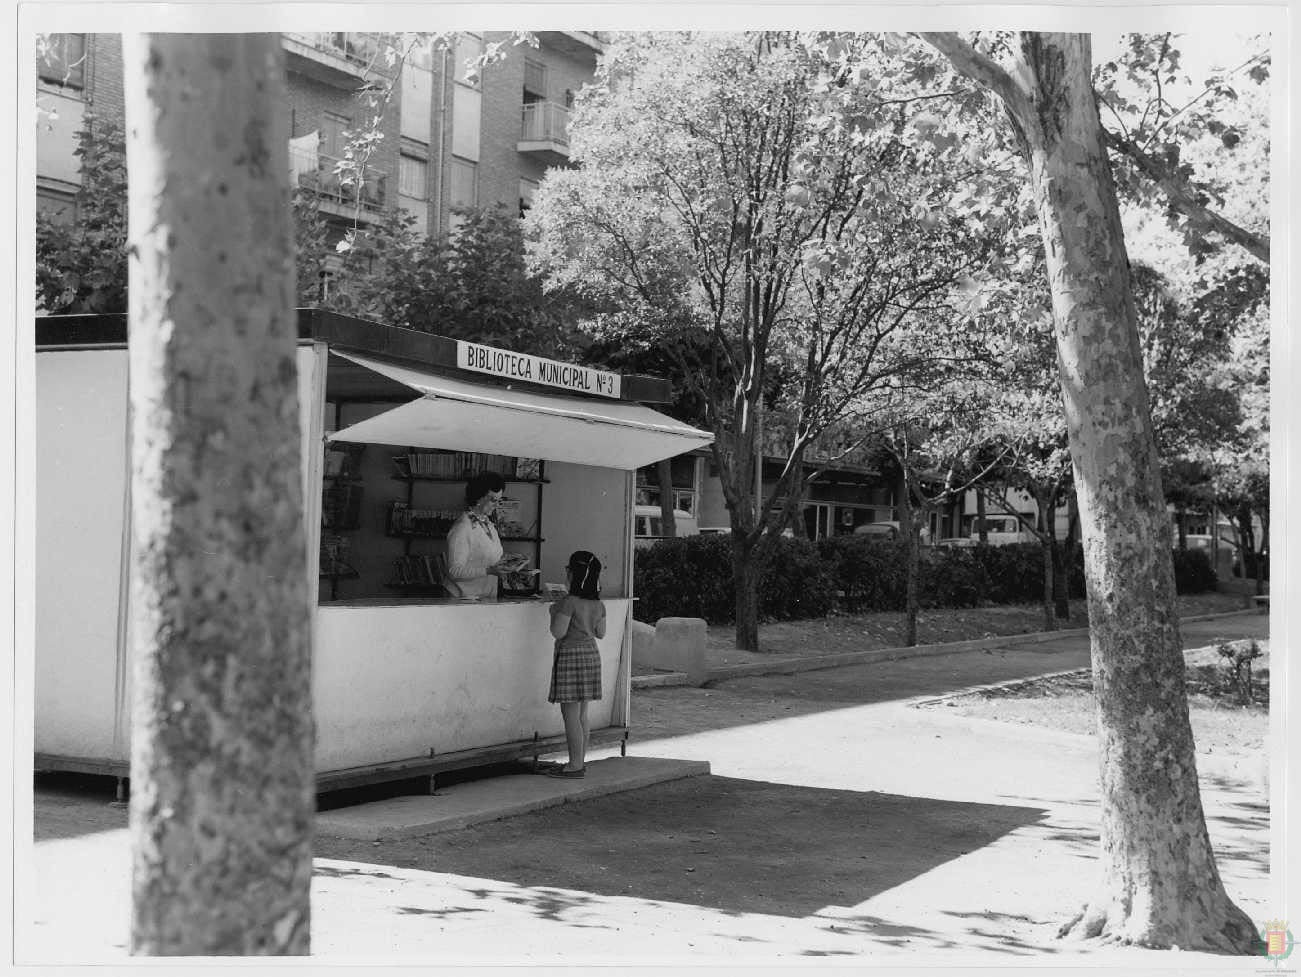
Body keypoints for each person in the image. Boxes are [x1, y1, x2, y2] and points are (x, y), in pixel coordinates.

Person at [544, 551, 606, 778]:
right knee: (582, 715)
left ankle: (574, 766)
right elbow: (601, 633)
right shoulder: (598, 604)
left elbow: (557, 632)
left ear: (572, 574)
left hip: (571, 657)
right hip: (591, 655)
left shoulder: (568, 602)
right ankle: (580, 760)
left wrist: (554, 610)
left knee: (570, 715)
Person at [443, 471, 512, 598]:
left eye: (499, 500)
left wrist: (509, 564)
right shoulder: (462, 528)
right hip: (463, 599)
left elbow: (488, 557)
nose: (497, 505)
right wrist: (489, 570)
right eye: (493, 500)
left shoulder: (488, 524)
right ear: (478, 497)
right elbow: (454, 571)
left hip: (485, 597)